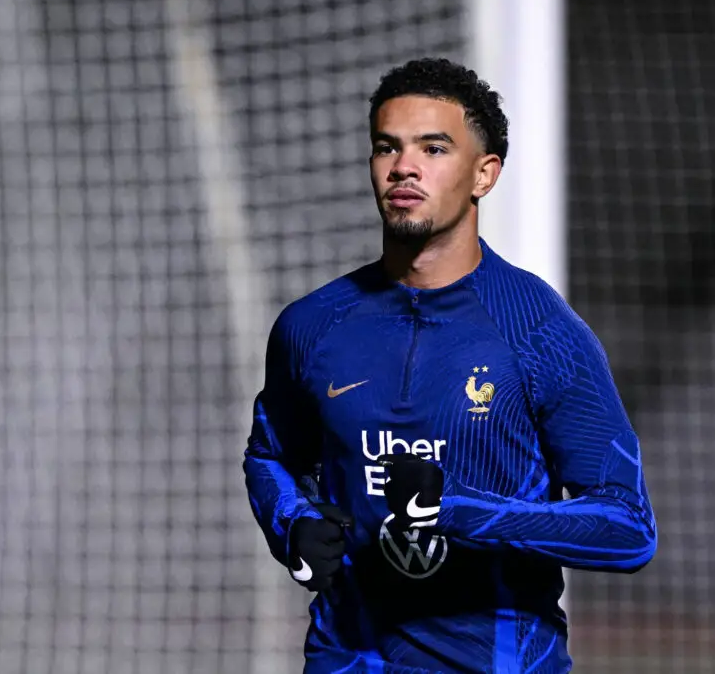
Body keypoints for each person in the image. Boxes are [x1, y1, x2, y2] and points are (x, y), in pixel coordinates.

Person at [243, 57, 657, 673]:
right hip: (347, 660)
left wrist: (457, 509)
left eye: (433, 148)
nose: (403, 167)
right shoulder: (312, 326)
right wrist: (293, 522)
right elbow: (271, 456)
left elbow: (628, 527)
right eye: (387, 147)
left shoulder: (540, 331)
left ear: (484, 174)